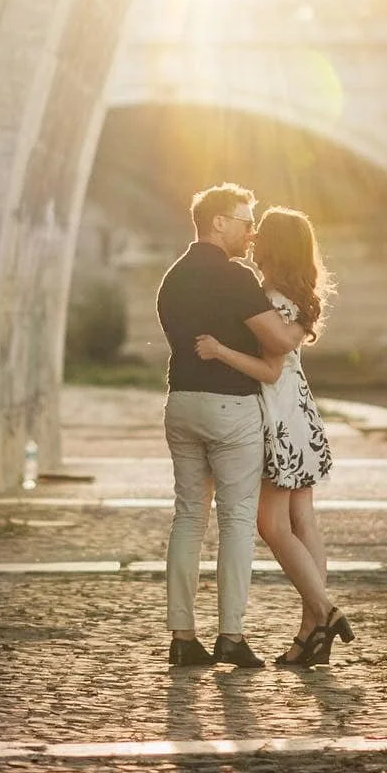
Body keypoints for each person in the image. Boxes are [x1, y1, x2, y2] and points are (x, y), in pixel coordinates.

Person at [194, 206, 353, 668]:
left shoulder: (268, 299)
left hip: (277, 418)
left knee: (272, 525)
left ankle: (324, 613)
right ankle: (311, 631)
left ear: (274, 246)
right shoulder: (297, 297)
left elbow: (268, 370)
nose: (254, 235)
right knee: (304, 521)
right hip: (300, 413)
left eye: (262, 232)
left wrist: (220, 351)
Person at [157, 183, 307, 668]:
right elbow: (278, 343)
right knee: (238, 521)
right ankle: (231, 636)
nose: (251, 231)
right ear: (218, 222)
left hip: (180, 403)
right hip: (230, 409)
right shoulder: (236, 279)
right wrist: (304, 317)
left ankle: (182, 636)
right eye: (245, 221)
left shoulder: (172, 279)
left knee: (188, 518)